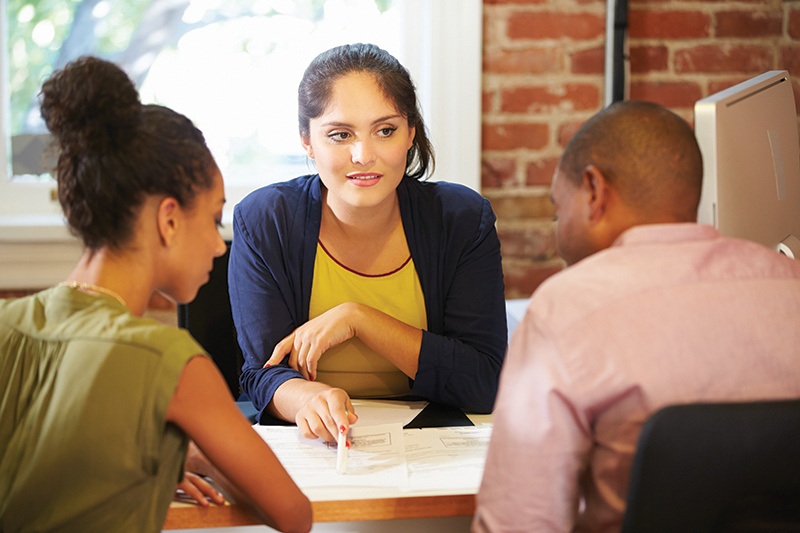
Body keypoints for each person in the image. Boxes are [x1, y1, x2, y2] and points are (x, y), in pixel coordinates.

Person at [0, 57, 311, 533]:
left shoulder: (8, 324)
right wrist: (200, 454)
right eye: (211, 218)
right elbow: (294, 514)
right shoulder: (171, 361)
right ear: (168, 219)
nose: (216, 244)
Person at [473, 101, 800, 533]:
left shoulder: (565, 310)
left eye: (558, 209)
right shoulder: (789, 279)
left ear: (593, 190)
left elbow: (520, 524)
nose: (557, 233)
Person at [229, 43, 507, 442]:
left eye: (385, 130)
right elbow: (262, 372)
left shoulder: (462, 219)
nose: (363, 155)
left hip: (437, 442)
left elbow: (484, 381)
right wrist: (308, 397)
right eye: (340, 135)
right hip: (312, 443)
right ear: (307, 141)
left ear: (411, 132)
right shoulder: (265, 220)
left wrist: (360, 320)